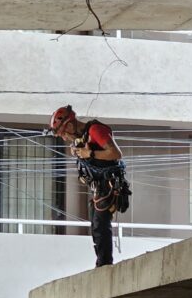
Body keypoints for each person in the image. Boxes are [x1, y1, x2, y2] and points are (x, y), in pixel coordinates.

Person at [49, 105, 131, 267]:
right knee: (95, 225)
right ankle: (101, 262)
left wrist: (90, 154)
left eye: (64, 133)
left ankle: (104, 263)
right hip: (98, 186)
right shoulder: (81, 138)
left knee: (101, 224)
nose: (65, 138)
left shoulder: (95, 130)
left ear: (70, 125)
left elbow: (115, 153)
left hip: (108, 184)